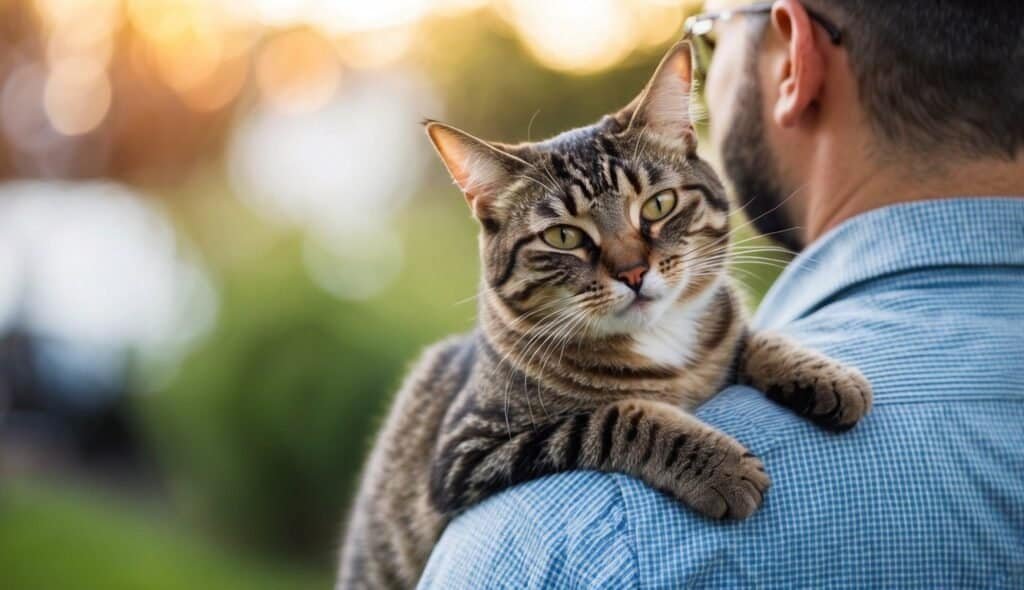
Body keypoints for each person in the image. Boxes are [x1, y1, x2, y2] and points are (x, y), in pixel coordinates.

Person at [418, 0, 1024, 586]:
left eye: (714, 33)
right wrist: (638, 430)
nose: (630, 264)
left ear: (794, 57)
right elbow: (459, 468)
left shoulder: (556, 546)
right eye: (563, 237)